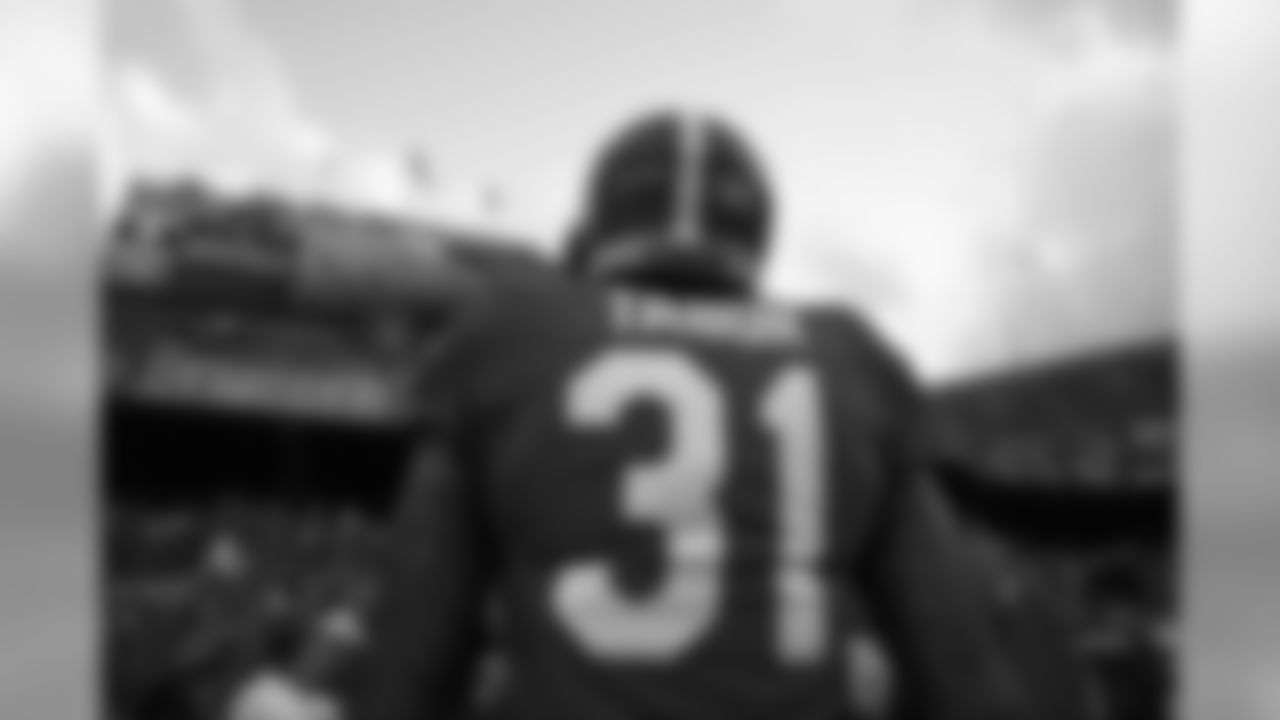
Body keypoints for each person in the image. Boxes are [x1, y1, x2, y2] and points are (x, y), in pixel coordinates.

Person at [350, 109, 1044, 720]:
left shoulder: (510, 332)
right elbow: (965, 678)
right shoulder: (849, 355)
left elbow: (412, 661)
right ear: (757, 230)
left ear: (604, 216)